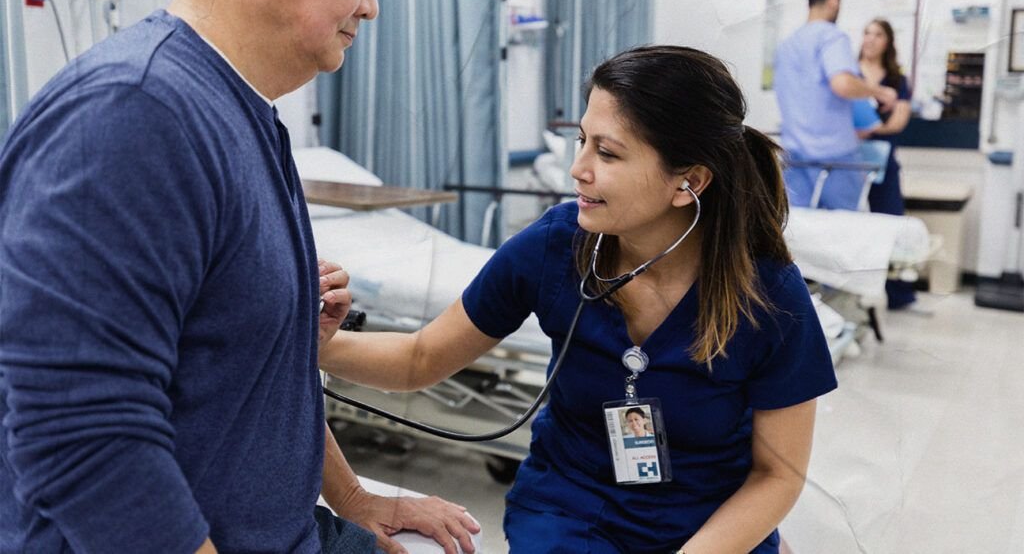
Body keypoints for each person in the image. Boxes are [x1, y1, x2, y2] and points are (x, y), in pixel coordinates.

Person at [0, 0, 478, 553]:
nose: (370, 6)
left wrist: (351, 497)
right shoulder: (135, 111)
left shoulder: (248, 119)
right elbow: (83, 436)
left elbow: (256, 378)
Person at [320, 45, 839, 554]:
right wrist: (310, 342)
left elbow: (778, 475)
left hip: (710, 524)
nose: (578, 169)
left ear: (689, 182)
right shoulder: (554, 246)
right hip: (570, 510)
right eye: (582, 141)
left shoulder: (769, 294)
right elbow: (420, 359)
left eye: (607, 152)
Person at [775, 0, 898, 210]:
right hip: (834, 159)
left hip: (794, 155)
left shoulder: (787, 45)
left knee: (798, 229)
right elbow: (842, 84)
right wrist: (880, 91)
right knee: (844, 230)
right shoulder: (832, 37)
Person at [859, 18, 916, 309]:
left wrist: (867, 130)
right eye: (866, 33)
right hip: (850, 161)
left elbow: (898, 121)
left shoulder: (896, 79)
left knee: (893, 222)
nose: (870, 39)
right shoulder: (849, 73)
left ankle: (901, 294)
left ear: (888, 41)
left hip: (883, 161)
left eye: (878, 34)